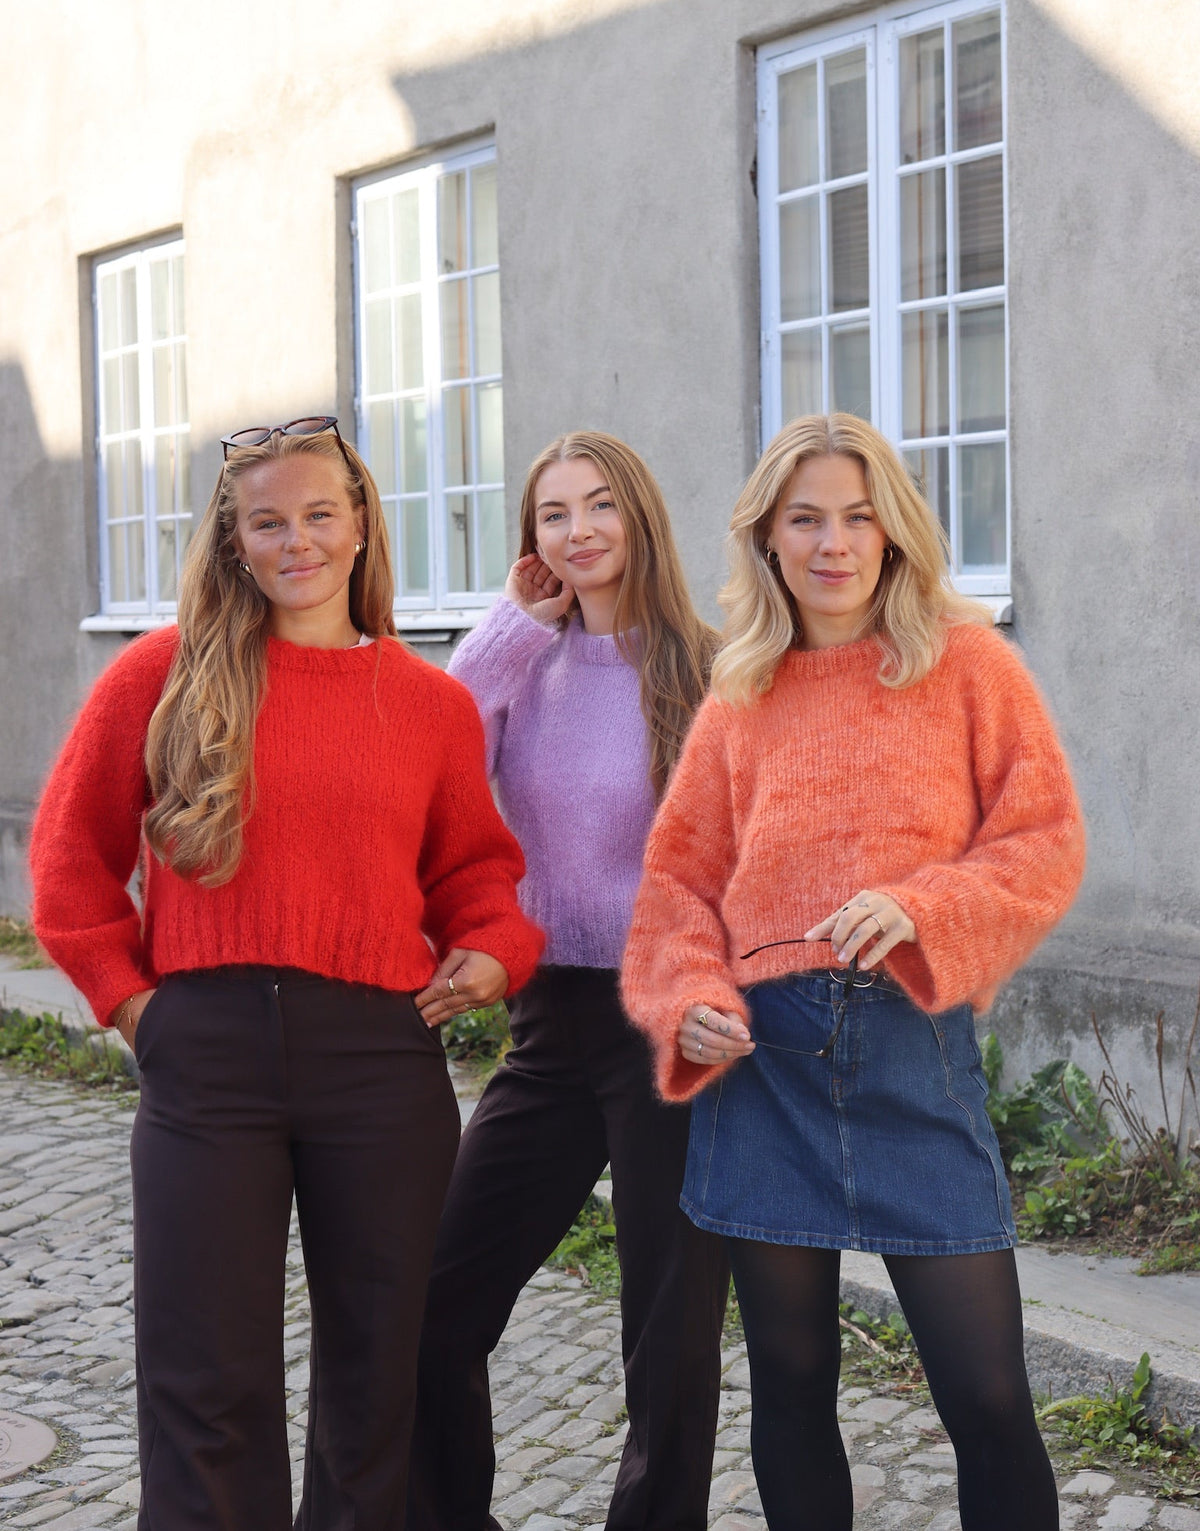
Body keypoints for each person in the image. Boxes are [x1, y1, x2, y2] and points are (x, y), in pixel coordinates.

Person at [28, 416, 542, 1531]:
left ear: (360, 524)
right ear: (235, 540)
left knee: (376, 1375)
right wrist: (137, 1006)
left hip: (378, 1061)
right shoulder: (158, 677)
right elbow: (68, 864)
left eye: (319, 513)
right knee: (203, 1373)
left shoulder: (428, 704)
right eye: (269, 521)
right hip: (202, 1054)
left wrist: (497, 951)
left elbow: (477, 874)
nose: (297, 539)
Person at [621, 413, 1085, 1531]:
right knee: (788, 1383)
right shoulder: (743, 697)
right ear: (768, 541)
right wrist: (689, 1000)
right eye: (806, 519)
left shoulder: (969, 663)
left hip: (913, 1055)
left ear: (893, 534)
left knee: (985, 1389)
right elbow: (676, 887)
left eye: (858, 517)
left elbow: (1044, 838)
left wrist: (926, 905)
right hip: (764, 1065)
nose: (834, 542)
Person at [407, 431, 730, 1531]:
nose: (579, 529)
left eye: (600, 506)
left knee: (669, 1332)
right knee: (437, 1306)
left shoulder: (707, 664)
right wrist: (512, 624)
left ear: (639, 516)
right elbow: (433, 750)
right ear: (530, 536)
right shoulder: (520, 663)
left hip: (669, 1024)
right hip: (549, 1023)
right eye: (554, 512)